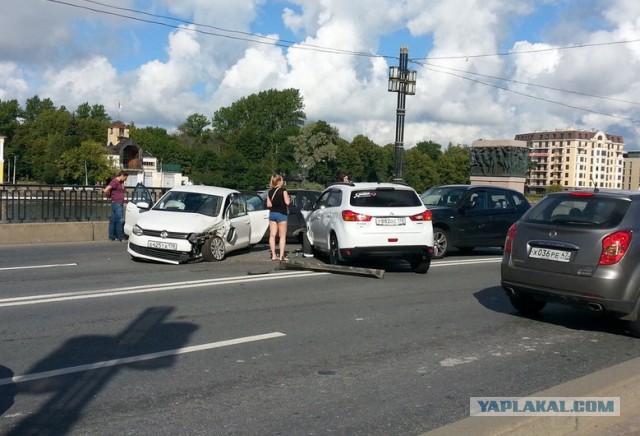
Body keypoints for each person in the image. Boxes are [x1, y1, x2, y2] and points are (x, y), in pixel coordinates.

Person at [266, 174, 291, 261]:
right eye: (282, 180)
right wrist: (289, 199)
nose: (283, 182)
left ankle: (273, 255)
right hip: (281, 214)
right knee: (282, 236)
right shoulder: (283, 190)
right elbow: (287, 202)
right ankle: (281, 256)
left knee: (272, 235)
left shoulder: (269, 192)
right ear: (279, 181)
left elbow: (268, 204)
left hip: (272, 214)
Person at [103, 170, 128, 241]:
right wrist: (108, 196)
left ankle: (112, 237)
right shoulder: (115, 181)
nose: (126, 179)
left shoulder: (120, 182)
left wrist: (123, 182)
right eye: (125, 178)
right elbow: (106, 190)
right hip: (117, 203)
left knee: (113, 220)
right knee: (119, 220)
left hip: (117, 203)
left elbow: (123, 190)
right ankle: (121, 237)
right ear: (122, 176)